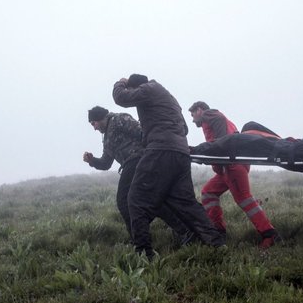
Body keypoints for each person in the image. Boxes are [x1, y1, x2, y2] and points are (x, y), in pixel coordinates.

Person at [112, 74, 225, 259]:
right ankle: (216, 243)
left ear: (136, 86)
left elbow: (121, 98)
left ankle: (143, 253)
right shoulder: (169, 99)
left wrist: (120, 83)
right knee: (186, 202)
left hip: (160, 151)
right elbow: (185, 129)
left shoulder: (149, 89)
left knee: (135, 199)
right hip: (180, 153)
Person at [83, 106, 196, 246]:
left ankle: (139, 240)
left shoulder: (119, 119)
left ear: (100, 117)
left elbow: (143, 133)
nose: (94, 127)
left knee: (124, 200)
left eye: (93, 123)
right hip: (130, 164)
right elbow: (106, 163)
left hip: (140, 160)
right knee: (151, 201)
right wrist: (92, 160)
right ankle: (184, 231)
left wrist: (156, 154)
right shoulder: (106, 138)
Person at [188, 101, 281, 249]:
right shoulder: (216, 121)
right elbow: (218, 144)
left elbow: (221, 143)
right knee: (208, 192)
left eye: (193, 115)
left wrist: (197, 150)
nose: (192, 120)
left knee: (244, 199)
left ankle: (269, 234)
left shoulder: (210, 115)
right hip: (227, 167)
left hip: (232, 166)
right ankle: (218, 230)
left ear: (200, 110)